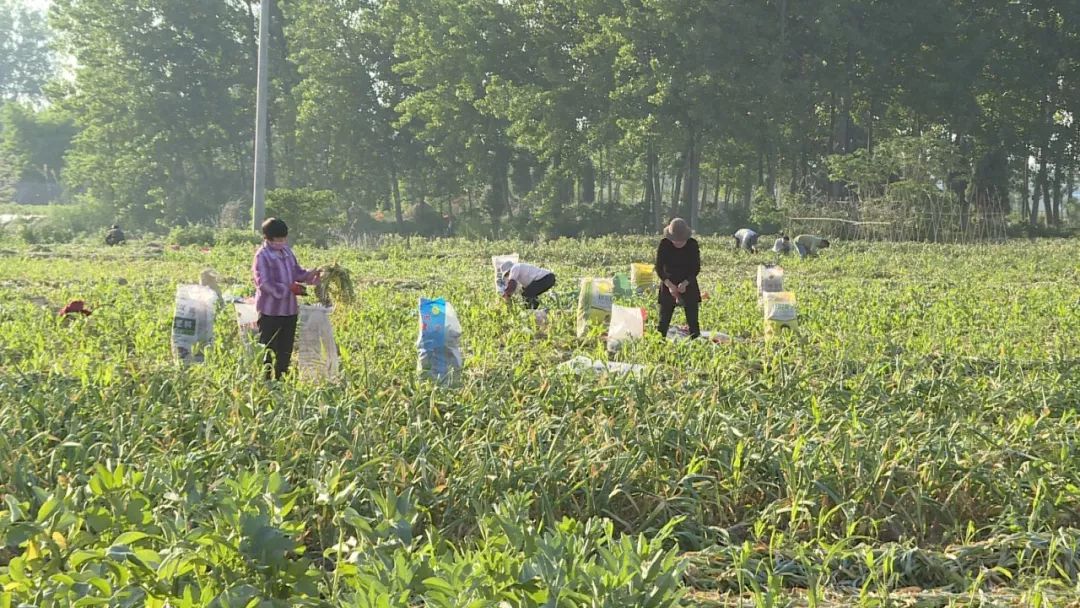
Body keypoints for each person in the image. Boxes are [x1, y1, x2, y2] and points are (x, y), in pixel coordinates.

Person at [252, 217, 321, 380]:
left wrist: (311, 275)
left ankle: (281, 380)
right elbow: (264, 283)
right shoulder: (262, 256)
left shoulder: (287, 251)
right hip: (270, 311)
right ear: (267, 238)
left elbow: (297, 272)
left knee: (285, 350)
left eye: (284, 239)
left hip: (289, 310)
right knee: (268, 350)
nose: (282, 242)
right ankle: (266, 383)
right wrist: (287, 288)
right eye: (278, 240)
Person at [655, 218, 701, 339]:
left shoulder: (692, 245)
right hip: (668, 281)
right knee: (663, 321)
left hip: (688, 282)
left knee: (693, 321)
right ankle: (659, 345)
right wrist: (669, 285)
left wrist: (685, 283)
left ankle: (695, 343)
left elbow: (695, 268)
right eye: (675, 240)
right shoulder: (664, 244)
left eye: (681, 241)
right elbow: (659, 268)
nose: (678, 243)